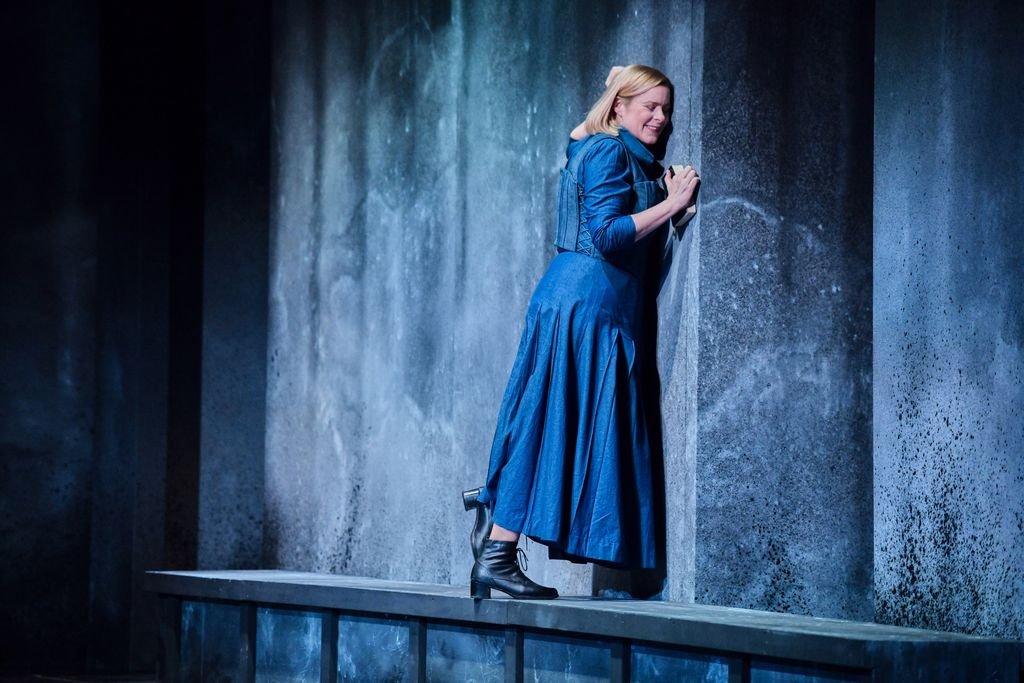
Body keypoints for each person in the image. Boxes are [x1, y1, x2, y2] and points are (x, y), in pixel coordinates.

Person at [463, 65, 700, 599]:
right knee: (549, 423)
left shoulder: (606, 150)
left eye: (667, 109)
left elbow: (577, 137)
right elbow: (608, 233)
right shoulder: (608, 152)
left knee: (552, 425)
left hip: (594, 304)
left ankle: (494, 521)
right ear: (619, 107)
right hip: (584, 304)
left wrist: (670, 209)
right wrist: (672, 204)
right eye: (649, 106)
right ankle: (496, 546)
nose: (661, 118)